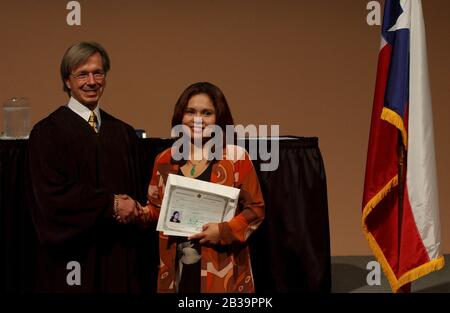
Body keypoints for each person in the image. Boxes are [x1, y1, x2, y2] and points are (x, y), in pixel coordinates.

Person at [28, 42, 149, 292]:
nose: (92, 81)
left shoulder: (123, 133)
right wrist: (110, 204)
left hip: (118, 258)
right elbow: (52, 197)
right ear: (67, 81)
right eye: (82, 74)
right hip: (72, 260)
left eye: (98, 72)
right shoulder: (47, 132)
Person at [139, 82, 265, 293]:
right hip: (176, 267)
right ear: (181, 115)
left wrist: (223, 231)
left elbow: (256, 210)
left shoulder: (236, 158)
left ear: (219, 119)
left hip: (221, 267)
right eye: (190, 112)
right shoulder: (164, 160)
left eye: (207, 113)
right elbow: (157, 210)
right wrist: (139, 212)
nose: (197, 120)